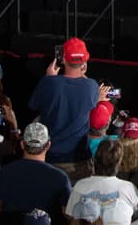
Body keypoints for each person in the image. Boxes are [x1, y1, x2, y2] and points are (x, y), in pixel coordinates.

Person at [28, 37, 109, 178]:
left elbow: (33, 105)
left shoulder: (50, 83)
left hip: (51, 158)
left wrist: (49, 78)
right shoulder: (91, 86)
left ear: (63, 59)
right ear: (84, 63)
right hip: (79, 161)